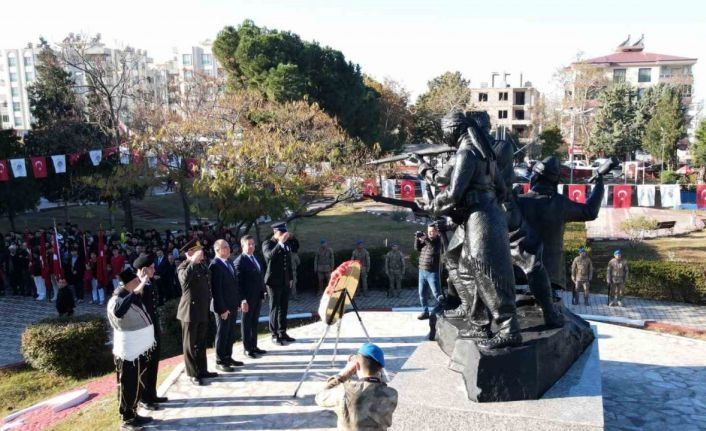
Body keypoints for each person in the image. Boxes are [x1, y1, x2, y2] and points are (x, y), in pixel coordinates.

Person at [423, 111, 520, 349]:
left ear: (454, 130)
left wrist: (431, 206)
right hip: (484, 215)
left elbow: (454, 193)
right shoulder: (485, 153)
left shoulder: (467, 153)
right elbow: (502, 190)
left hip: (481, 218)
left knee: (487, 272)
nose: (443, 133)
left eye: (444, 128)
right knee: (468, 267)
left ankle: (509, 328)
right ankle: (480, 323)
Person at [107, 269, 155, 431]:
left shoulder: (131, 295)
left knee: (138, 383)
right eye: (135, 281)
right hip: (128, 352)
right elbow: (119, 311)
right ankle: (127, 418)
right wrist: (134, 292)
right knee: (128, 384)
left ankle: (133, 413)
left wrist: (139, 286)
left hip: (139, 349)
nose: (139, 284)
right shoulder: (116, 299)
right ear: (128, 284)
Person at [315, 343, 398, 430]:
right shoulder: (391, 394)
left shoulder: (344, 392)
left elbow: (319, 397)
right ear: (380, 368)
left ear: (357, 366)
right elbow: (379, 386)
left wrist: (342, 376)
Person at [176, 239, 216, 386]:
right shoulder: (183, 267)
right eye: (198, 250)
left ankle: (202, 370)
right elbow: (185, 280)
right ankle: (193, 373)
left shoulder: (201, 266)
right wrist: (192, 260)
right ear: (190, 252)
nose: (202, 253)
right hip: (189, 312)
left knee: (201, 342)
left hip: (202, 309)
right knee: (189, 344)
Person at [132, 254, 168, 410]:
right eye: (151, 267)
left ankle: (152, 394)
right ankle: (144, 398)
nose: (154, 269)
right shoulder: (133, 283)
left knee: (154, 361)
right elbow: (133, 298)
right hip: (142, 330)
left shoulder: (150, 283)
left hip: (153, 328)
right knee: (145, 364)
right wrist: (142, 280)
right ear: (143, 269)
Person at [209, 239, 247, 372]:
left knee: (230, 333)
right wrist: (222, 309)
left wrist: (238, 302)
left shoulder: (229, 261)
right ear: (217, 250)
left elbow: (234, 285)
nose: (228, 249)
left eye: (228, 246)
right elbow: (216, 291)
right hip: (222, 307)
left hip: (232, 305)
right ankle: (220, 360)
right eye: (224, 247)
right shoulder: (215, 265)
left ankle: (228, 357)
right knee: (222, 333)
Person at [262, 222, 296, 345]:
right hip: (273, 281)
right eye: (281, 233)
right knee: (274, 307)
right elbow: (269, 256)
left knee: (284, 307)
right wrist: (280, 243)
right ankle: (274, 333)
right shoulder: (268, 243)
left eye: (284, 234)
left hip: (285, 280)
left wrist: (290, 278)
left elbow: (288, 261)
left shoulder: (286, 244)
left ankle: (282, 331)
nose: (283, 236)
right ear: (275, 232)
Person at [234, 235, 268, 359]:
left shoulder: (256, 258)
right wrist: (242, 300)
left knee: (254, 322)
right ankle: (247, 348)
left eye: (253, 244)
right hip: (247, 299)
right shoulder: (239, 261)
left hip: (257, 296)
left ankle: (254, 346)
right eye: (249, 244)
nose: (252, 246)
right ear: (243, 246)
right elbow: (238, 284)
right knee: (246, 323)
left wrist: (263, 291)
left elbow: (260, 277)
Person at [415, 224, 442, 320]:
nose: (430, 233)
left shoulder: (437, 241)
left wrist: (425, 239)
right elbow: (417, 248)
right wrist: (417, 239)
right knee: (422, 293)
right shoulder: (427, 240)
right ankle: (425, 312)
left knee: (437, 293)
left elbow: (433, 249)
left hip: (432, 272)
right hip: (422, 271)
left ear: (437, 232)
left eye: (432, 231)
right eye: (429, 231)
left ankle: (443, 309)